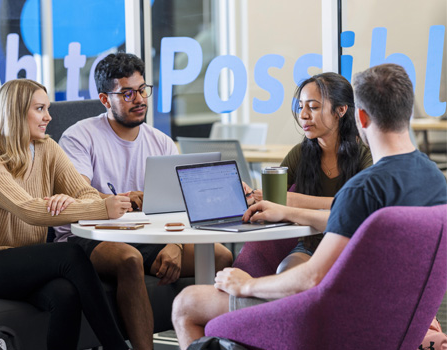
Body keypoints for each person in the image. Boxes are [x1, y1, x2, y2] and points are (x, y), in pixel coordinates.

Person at [172, 63, 447, 349]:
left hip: (326, 321)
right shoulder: (435, 181)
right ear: (408, 112)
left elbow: (312, 277)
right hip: (391, 321)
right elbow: (346, 222)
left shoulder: (363, 189)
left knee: (187, 303)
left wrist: (246, 285)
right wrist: (288, 210)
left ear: (360, 117)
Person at [54, 52, 233, 350]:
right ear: (104, 99)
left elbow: (181, 204)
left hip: (144, 235)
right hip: (86, 235)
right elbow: (76, 193)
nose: (138, 99)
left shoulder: (161, 141)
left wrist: (174, 246)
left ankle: (208, 344)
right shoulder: (79, 136)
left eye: (142, 90)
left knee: (221, 256)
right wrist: (119, 200)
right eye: (127, 93)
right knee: (129, 259)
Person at [0, 79, 131, 350]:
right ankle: (117, 347)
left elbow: (88, 194)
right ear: (14, 112)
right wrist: (101, 209)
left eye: (47, 108)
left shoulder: (47, 147)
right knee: (71, 254)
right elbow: (28, 210)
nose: (48, 117)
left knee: (65, 294)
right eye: (39, 109)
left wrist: (69, 199)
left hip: (28, 260)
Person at [243, 72, 372, 271]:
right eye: (301, 106)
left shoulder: (366, 155)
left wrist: (292, 200)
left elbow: (359, 208)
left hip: (354, 246)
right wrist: (251, 197)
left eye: (313, 107)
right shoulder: (300, 154)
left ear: (341, 110)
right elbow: (273, 201)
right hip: (311, 245)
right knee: (286, 272)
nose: (303, 115)